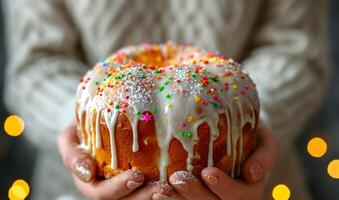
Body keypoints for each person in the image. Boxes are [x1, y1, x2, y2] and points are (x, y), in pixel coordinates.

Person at [3, 0, 329, 199]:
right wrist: (79, 127)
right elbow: (36, 61)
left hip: (251, 187)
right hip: (76, 189)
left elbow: (297, 49)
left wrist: (253, 126)